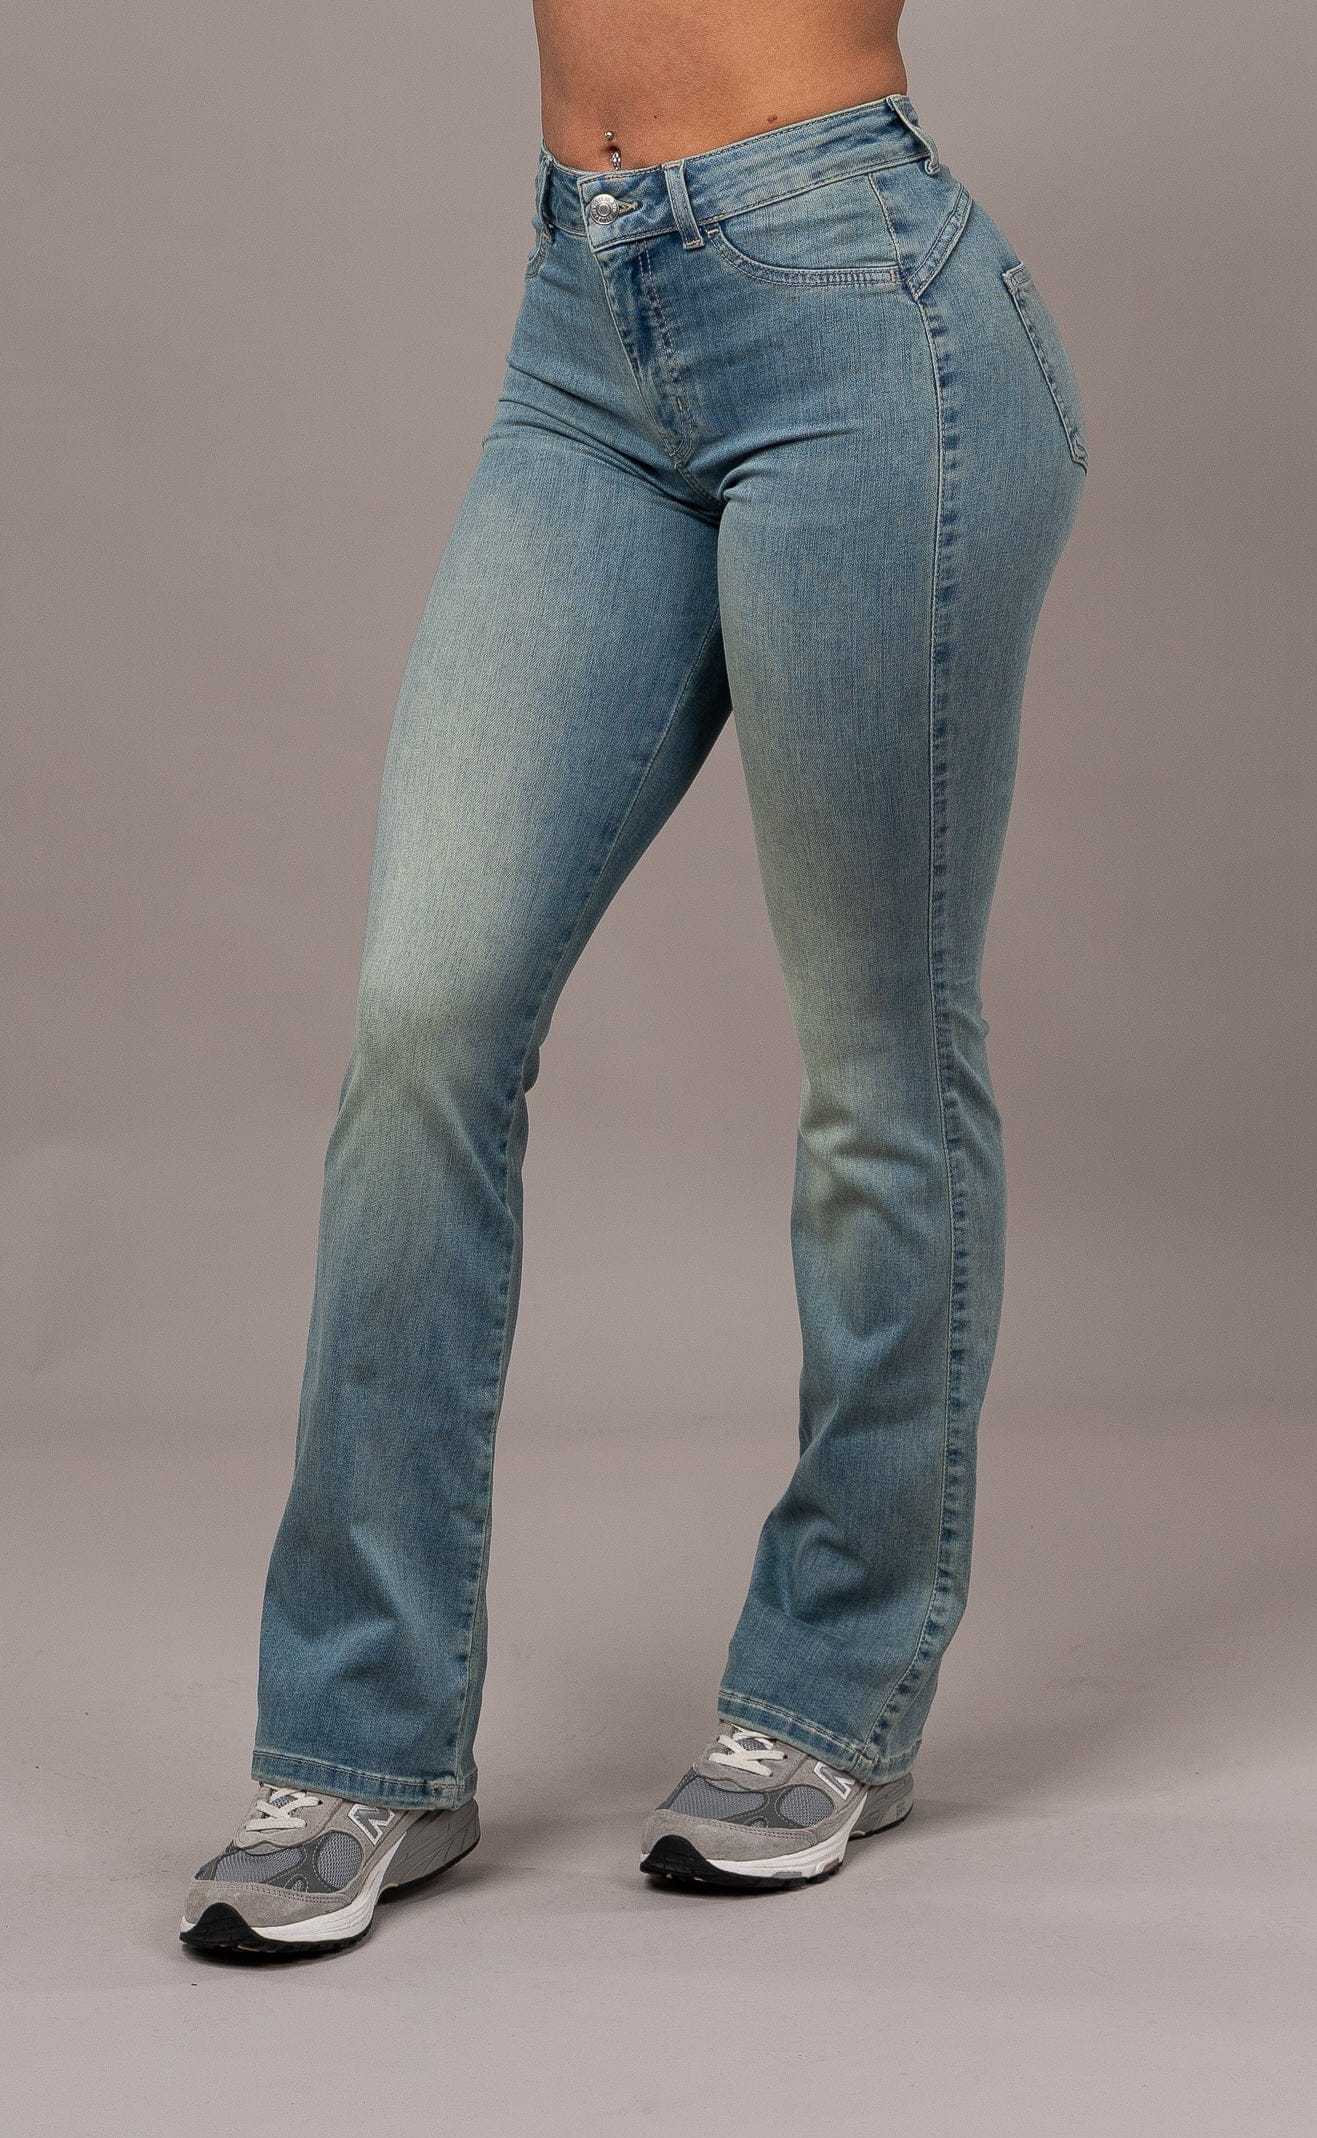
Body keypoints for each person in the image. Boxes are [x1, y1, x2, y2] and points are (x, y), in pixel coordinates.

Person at [180, 0, 1088, 1956]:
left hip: (861, 313)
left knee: (877, 1053)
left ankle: (833, 1688)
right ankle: (363, 1735)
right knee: (425, 1016)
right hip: (586, 328)